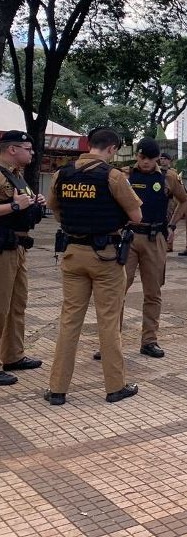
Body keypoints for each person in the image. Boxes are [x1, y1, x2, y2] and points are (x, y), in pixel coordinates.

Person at [45, 127, 143, 405]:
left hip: (73, 253)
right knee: (109, 322)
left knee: (69, 321)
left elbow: (55, 210)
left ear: (89, 144)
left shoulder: (61, 174)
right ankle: (115, 387)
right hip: (107, 257)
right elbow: (136, 215)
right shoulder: (113, 176)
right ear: (112, 148)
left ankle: (57, 390)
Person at [120, 138, 187, 358]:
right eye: (142, 158)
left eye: (150, 158)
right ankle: (111, 342)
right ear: (137, 156)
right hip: (128, 236)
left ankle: (149, 340)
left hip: (154, 237)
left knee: (153, 291)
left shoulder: (168, 177)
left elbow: (184, 200)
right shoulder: (125, 175)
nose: (145, 162)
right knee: (117, 290)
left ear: (158, 158)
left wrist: (172, 224)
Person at [0, 131, 46, 387]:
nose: (33, 153)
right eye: (28, 149)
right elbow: (14, 206)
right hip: (2, 246)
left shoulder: (17, 176)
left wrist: (34, 203)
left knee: (17, 303)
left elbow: (23, 205)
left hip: (18, 246)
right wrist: (15, 206)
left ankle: (13, 355)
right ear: (13, 149)